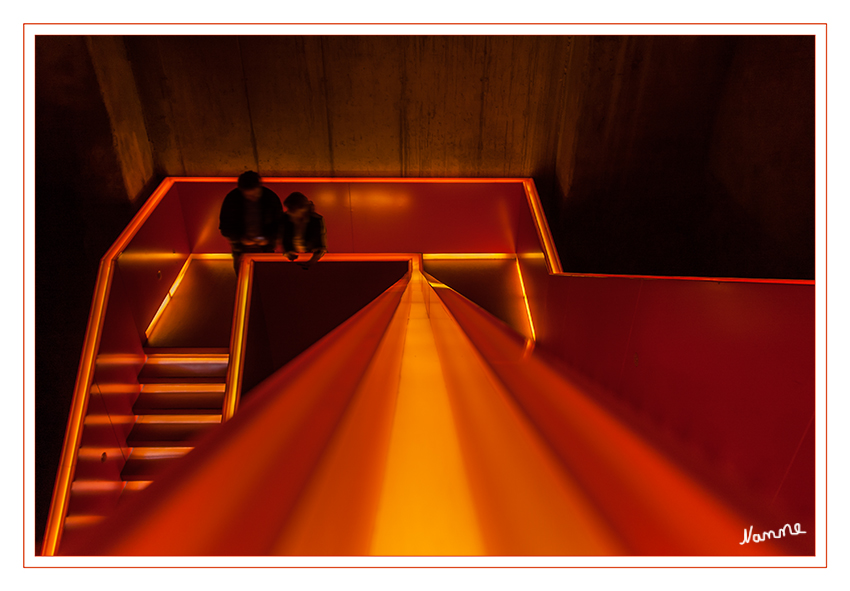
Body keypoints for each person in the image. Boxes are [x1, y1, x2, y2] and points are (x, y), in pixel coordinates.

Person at [219, 171, 283, 273]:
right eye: (248, 196)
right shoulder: (232, 199)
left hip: (265, 247)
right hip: (241, 247)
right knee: (242, 273)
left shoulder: (271, 198)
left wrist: (269, 239)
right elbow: (225, 226)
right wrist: (239, 239)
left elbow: (279, 224)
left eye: (255, 195)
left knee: (265, 273)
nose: (252, 198)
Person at [281, 191, 327, 270]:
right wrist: (288, 252)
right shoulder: (286, 219)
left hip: (308, 254)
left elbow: (320, 244)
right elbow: (284, 239)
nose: (288, 212)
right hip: (298, 257)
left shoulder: (315, 220)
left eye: (291, 209)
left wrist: (315, 258)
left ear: (302, 208)